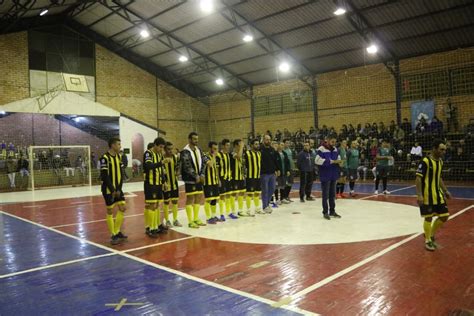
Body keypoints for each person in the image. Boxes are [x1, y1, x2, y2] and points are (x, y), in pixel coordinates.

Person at [415, 139, 451, 251]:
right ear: (434, 149)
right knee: (428, 218)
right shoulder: (425, 161)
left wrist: (445, 191)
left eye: (445, 150)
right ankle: (428, 241)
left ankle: (429, 234)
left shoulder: (440, 162)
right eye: (441, 149)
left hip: (438, 195)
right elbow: (418, 179)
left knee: (445, 216)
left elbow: (439, 177)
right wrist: (419, 195)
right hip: (427, 195)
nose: (444, 152)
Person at [100, 137, 127, 245]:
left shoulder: (119, 157)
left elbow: (121, 174)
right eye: (118, 144)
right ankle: (113, 235)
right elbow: (104, 175)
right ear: (112, 145)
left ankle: (117, 231)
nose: (120, 146)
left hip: (118, 189)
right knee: (110, 211)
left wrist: (119, 189)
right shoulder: (104, 158)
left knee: (122, 208)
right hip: (108, 190)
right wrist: (112, 189)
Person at [143, 137, 168, 237]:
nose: (161, 149)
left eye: (162, 148)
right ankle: (150, 228)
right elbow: (148, 166)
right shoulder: (148, 153)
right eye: (160, 147)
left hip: (158, 183)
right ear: (155, 145)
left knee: (157, 205)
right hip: (150, 183)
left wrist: (164, 182)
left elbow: (161, 170)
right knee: (152, 205)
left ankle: (156, 225)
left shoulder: (159, 154)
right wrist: (161, 163)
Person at [180, 132, 206, 228]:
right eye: (194, 139)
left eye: (197, 139)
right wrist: (196, 176)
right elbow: (187, 166)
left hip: (199, 177)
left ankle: (196, 218)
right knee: (190, 198)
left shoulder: (199, 149)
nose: (196, 140)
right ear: (189, 139)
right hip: (190, 179)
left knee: (199, 196)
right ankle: (190, 221)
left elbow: (203, 161)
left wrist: (202, 174)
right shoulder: (185, 151)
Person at [315, 135, 342, 220]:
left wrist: (340, 162)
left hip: (333, 175)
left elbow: (338, 158)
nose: (334, 144)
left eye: (335, 142)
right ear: (328, 140)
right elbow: (317, 160)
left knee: (332, 195)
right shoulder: (321, 149)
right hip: (325, 175)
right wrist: (330, 161)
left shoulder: (335, 149)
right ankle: (325, 212)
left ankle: (332, 211)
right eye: (332, 142)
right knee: (325, 195)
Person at [162, 142, 181, 227]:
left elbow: (177, 167)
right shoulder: (161, 158)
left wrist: (178, 171)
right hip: (166, 184)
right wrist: (163, 182)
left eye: (171, 149)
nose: (170, 151)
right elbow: (161, 172)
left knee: (175, 201)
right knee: (166, 202)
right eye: (168, 149)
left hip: (174, 183)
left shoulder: (175, 157)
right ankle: (167, 221)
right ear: (165, 149)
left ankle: (175, 219)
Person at [202, 141, 221, 224]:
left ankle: (213, 216)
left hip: (214, 181)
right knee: (208, 200)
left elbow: (216, 168)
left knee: (214, 199)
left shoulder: (216, 157)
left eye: (217, 149)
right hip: (207, 182)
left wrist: (218, 179)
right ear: (210, 148)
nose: (216, 150)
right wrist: (213, 156)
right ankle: (208, 217)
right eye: (214, 149)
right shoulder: (205, 156)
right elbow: (210, 165)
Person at [260, 134, 280, 213]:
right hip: (264, 173)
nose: (268, 141)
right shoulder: (260, 149)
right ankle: (265, 206)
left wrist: (278, 169)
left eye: (269, 139)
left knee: (272, 189)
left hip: (272, 174)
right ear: (263, 140)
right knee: (265, 190)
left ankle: (267, 204)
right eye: (266, 139)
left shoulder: (272, 150)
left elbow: (276, 160)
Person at [244, 139, 262, 215]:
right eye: (256, 144)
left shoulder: (259, 153)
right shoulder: (247, 153)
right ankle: (248, 210)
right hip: (250, 176)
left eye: (258, 144)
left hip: (257, 176)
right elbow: (244, 165)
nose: (257, 145)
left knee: (257, 193)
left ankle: (257, 208)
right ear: (251, 145)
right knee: (250, 194)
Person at [216, 139, 232, 222]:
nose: (228, 147)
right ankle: (221, 214)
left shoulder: (228, 155)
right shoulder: (218, 155)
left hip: (228, 178)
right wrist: (218, 179)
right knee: (222, 196)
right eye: (227, 145)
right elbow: (217, 169)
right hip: (222, 178)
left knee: (228, 195)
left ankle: (228, 212)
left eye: (229, 145)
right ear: (222, 146)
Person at [230, 139, 246, 218]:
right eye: (240, 144)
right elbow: (238, 156)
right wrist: (242, 147)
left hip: (241, 176)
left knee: (242, 193)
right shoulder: (232, 153)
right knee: (234, 194)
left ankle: (240, 210)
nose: (242, 145)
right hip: (234, 177)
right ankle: (232, 211)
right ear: (236, 145)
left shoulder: (241, 153)